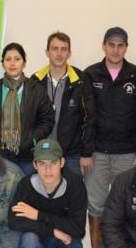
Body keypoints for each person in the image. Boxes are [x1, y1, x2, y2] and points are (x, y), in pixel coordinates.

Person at [8, 139, 87, 248]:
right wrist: (53, 231)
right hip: (41, 237)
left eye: (53, 163)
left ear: (62, 162)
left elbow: (78, 229)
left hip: (65, 241)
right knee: (28, 239)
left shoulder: (75, 184)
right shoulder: (26, 184)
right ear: (34, 165)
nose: (48, 169)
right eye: (42, 164)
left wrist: (38, 215)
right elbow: (14, 221)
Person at [84, 27, 136, 248]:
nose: (116, 50)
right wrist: (86, 151)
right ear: (104, 46)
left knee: (126, 206)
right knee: (96, 205)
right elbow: (86, 116)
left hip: (128, 154)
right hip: (97, 154)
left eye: (120, 45)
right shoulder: (91, 74)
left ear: (126, 48)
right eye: (111, 45)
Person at [0, 42, 54, 175]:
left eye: (17, 59)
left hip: (27, 157)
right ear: (3, 63)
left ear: (24, 62)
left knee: (24, 188)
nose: (12, 63)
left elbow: (48, 120)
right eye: (8, 59)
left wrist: (32, 139)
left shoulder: (36, 90)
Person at [31, 32, 94, 177]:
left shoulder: (81, 80)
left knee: (72, 191)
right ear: (47, 52)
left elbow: (89, 119)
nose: (59, 54)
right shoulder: (35, 81)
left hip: (72, 155)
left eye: (63, 49)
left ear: (69, 53)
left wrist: (86, 153)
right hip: (42, 153)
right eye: (55, 49)